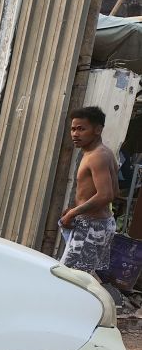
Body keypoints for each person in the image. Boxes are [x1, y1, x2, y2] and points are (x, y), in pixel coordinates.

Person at [59, 106, 117, 275]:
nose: (75, 134)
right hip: (98, 223)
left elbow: (106, 195)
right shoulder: (104, 152)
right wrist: (75, 209)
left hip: (92, 226)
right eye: (73, 129)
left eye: (81, 129)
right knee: (82, 276)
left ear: (98, 130)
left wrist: (72, 214)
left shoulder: (96, 156)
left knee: (70, 277)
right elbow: (115, 191)